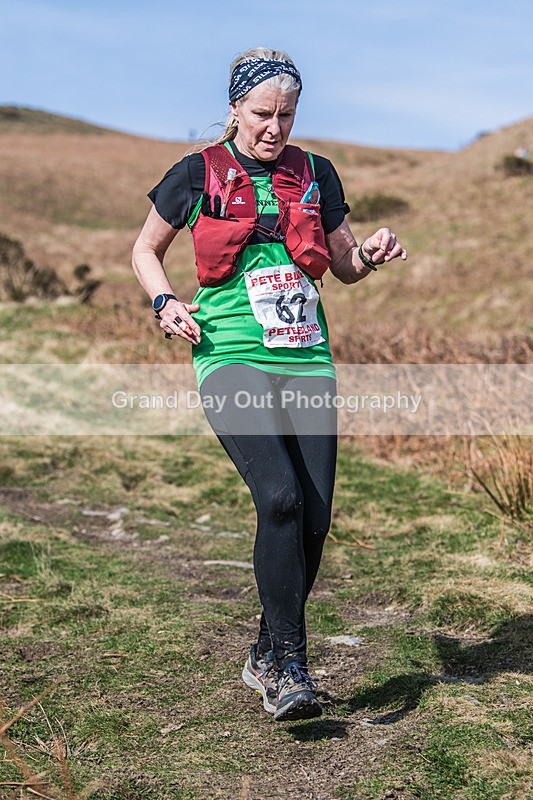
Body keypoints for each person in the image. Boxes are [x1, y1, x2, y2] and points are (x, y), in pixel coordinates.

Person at [132, 47, 407, 722]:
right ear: (234, 108)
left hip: (306, 358)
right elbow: (145, 250)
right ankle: (290, 664)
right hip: (229, 354)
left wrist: (368, 253)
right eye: (261, 113)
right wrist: (165, 303)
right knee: (279, 498)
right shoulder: (194, 173)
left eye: (285, 114)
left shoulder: (316, 173)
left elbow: (341, 266)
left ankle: (263, 649)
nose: (273, 128)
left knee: (313, 519)